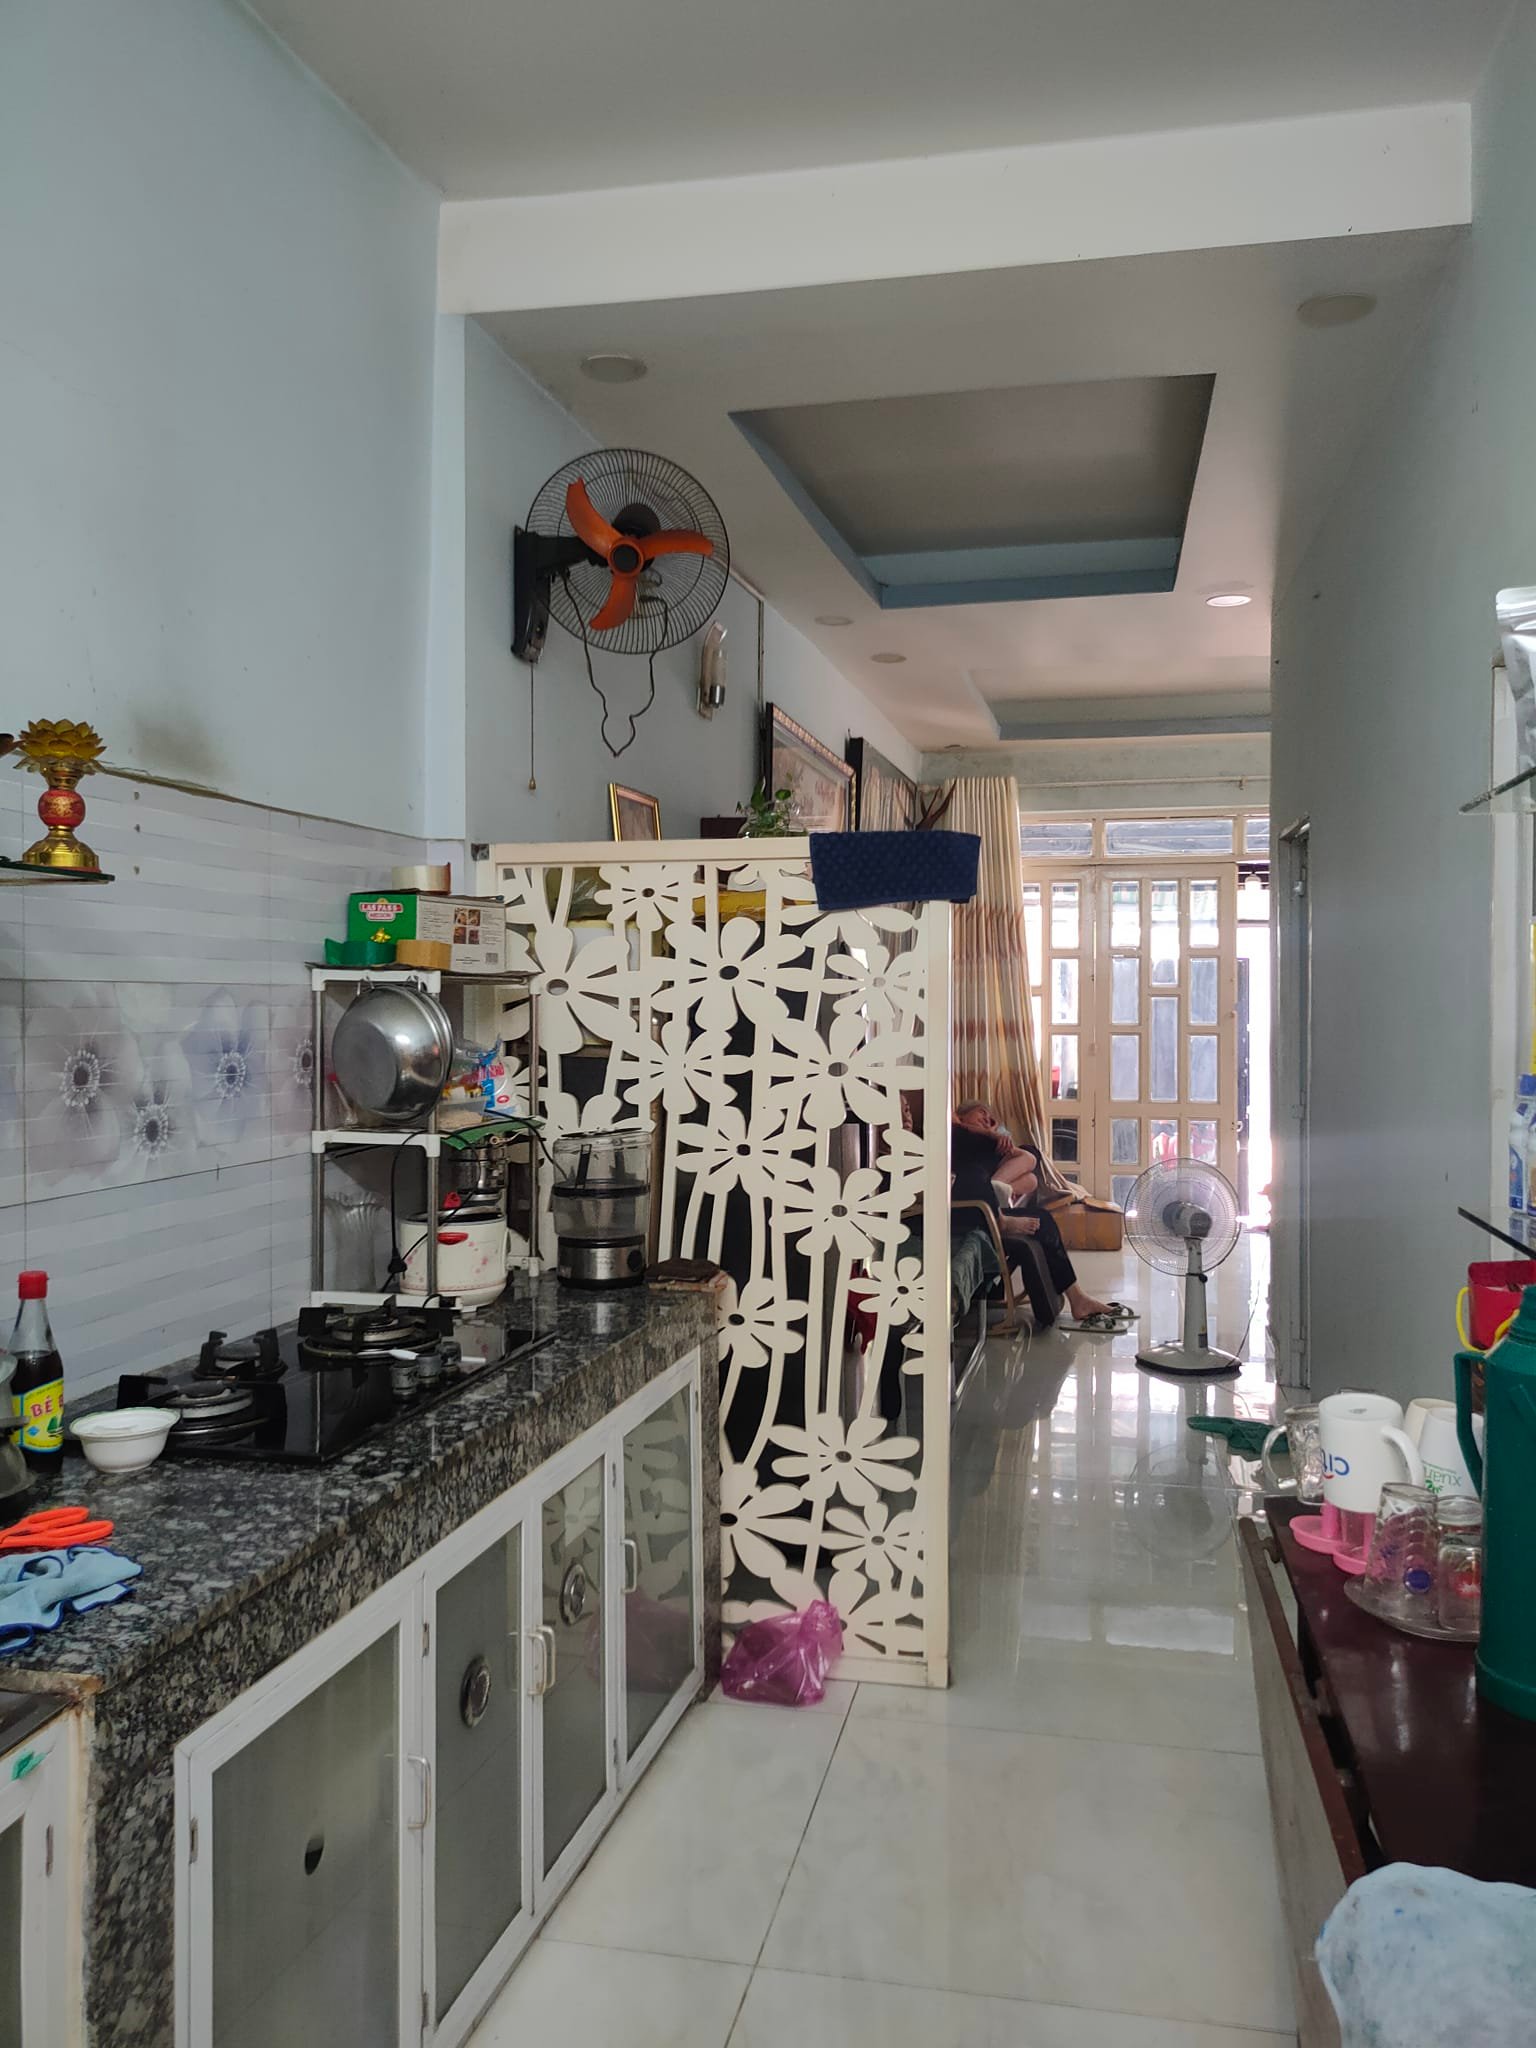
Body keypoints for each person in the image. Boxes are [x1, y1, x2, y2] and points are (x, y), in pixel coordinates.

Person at [951, 1100, 1128, 1329]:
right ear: (961, 1116)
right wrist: (993, 1135)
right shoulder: (956, 1135)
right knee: (1039, 1217)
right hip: (975, 1210)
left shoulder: (973, 1141)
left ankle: (1077, 1298)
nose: (986, 1119)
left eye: (989, 1118)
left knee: (1042, 1216)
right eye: (981, 1114)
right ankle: (1077, 1299)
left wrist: (995, 1135)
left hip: (983, 1203)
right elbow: (954, 1125)